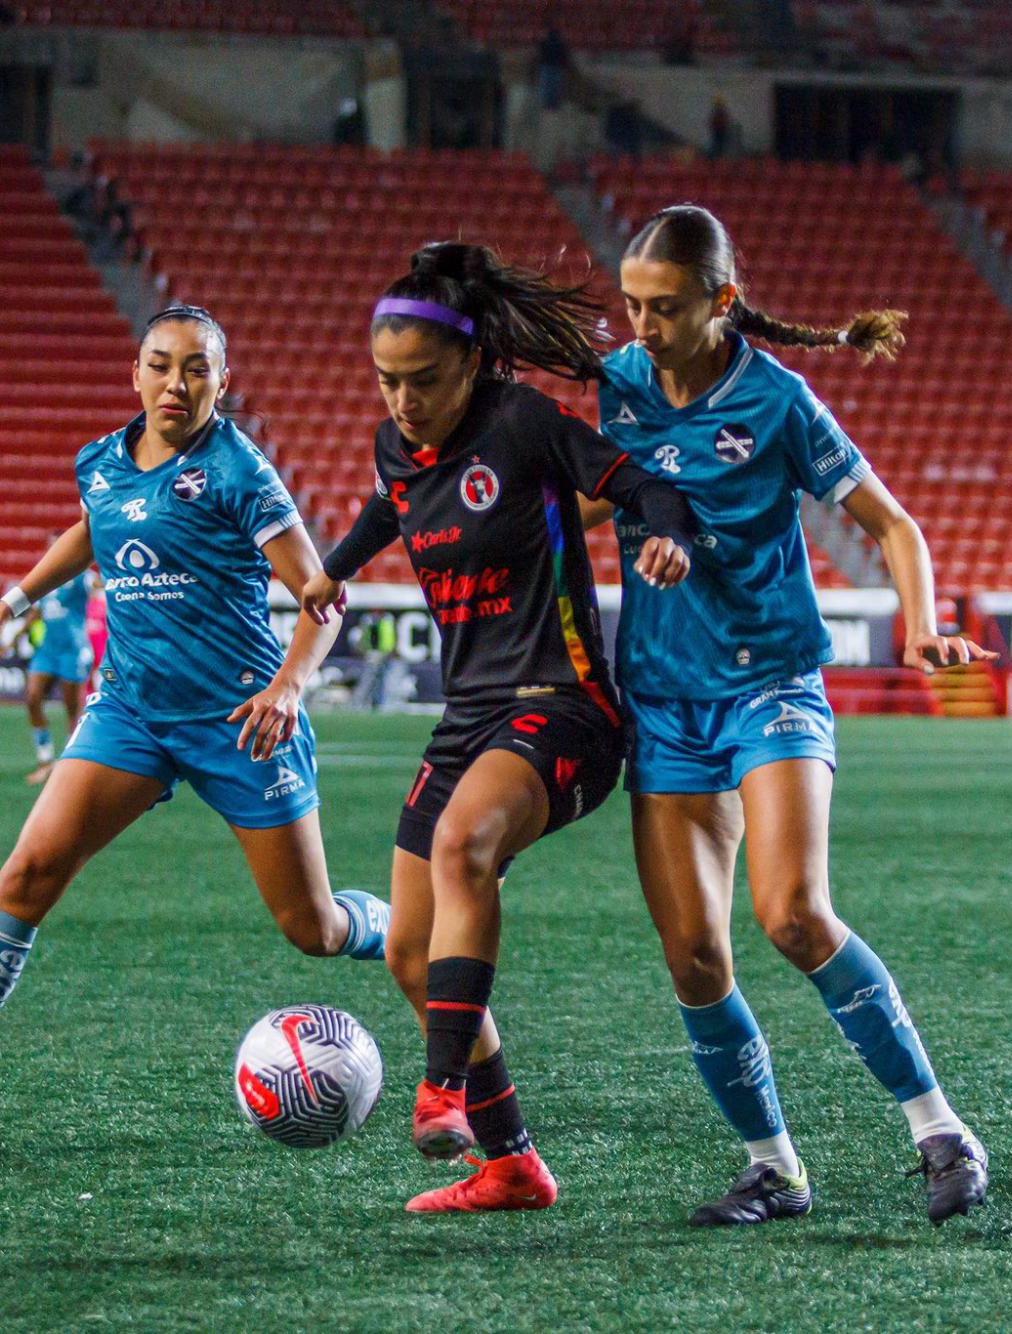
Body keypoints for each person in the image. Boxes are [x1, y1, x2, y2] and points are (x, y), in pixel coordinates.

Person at [0, 305, 390, 1153]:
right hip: (130, 711)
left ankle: (403, 927)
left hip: (239, 721)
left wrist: (288, 687)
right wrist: (7, 608)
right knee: (30, 871)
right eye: (161, 364)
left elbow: (321, 596)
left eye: (196, 369)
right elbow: (94, 533)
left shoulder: (240, 471)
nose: (177, 382)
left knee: (311, 929)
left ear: (221, 381)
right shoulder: (101, 460)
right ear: (135, 372)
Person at [585, 204, 995, 1227]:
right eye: (631, 304)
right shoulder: (618, 387)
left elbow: (889, 523)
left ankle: (939, 1127)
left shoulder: (776, 399)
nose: (642, 325)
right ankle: (772, 1166)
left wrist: (923, 625)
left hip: (769, 680)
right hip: (664, 697)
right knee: (693, 954)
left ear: (721, 303)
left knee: (791, 913)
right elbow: (597, 493)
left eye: (665, 307)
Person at [299, 242, 697, 1214]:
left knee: (461, 845)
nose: (402, 401)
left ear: (472, 363)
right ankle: (514, 1161)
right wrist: (334, 565)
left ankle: (440, 1090)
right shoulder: (398, 443)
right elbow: (390, 501)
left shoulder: (523, 424)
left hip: (565, 704)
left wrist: (663, 531)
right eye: (386, 381)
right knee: (406, 950)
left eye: (421, 380)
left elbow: (643, 483)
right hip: (467, 717)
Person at [20, 573, 95, 783]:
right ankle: (45, 761)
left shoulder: (82, 578)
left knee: (72, 709)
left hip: (72, 650)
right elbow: (35, 612)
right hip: (47, 651)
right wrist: (15, 637)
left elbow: (104, 586)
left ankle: (69, 765)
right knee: (32, 698)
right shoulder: (47, 581)